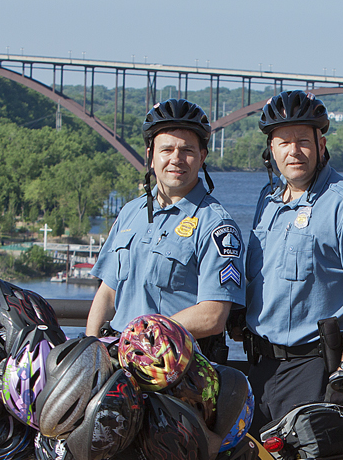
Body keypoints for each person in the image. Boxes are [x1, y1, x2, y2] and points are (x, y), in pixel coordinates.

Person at [242, 90, 343, 438]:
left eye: (303, 141)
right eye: (283, 142)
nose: (293, 151)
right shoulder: (267, 201)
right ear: (272, 150)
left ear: (321, 144)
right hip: (260, 368)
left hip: (312, 369)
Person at [86, 99, 244, 360]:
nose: (176, 159)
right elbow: (107, 292)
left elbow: (213, 315)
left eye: (187, 150)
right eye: (166, 149)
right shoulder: (130, 213)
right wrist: (91, 351)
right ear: (150, 156)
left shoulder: (217, 226)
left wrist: (143, 338)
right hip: (117, 365)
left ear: (202, 157)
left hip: (176, 371)